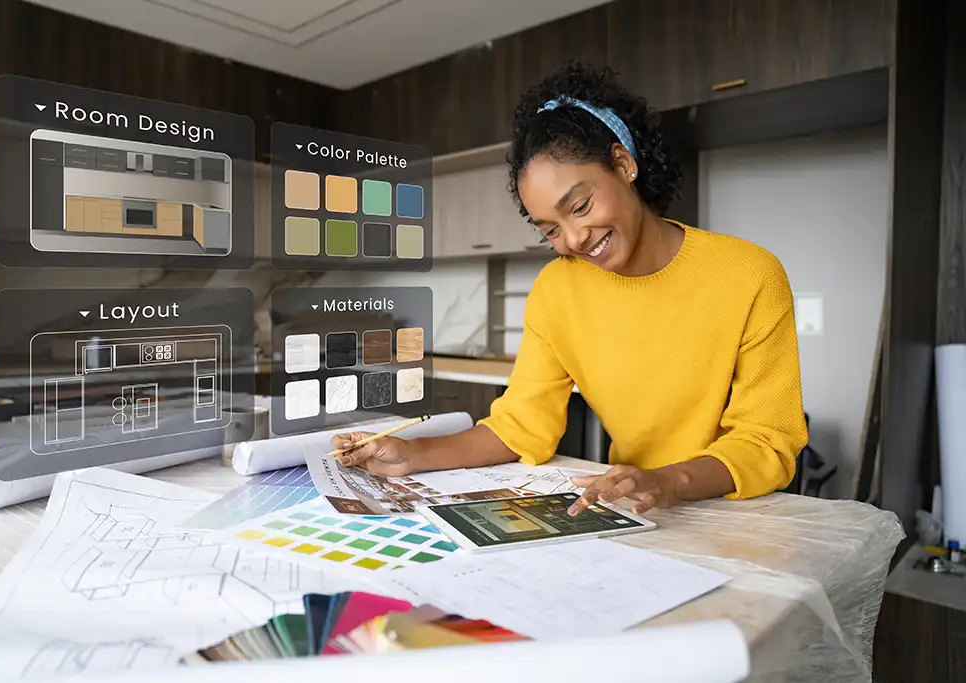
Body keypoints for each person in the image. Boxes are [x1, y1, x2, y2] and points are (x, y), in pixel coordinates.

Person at [331, 60, 808, 516]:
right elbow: (521, 427)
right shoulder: (557, 291)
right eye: (550, 229)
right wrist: (411, 455)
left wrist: (668, 481)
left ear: (623, 165)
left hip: (736, 509)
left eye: (579, 206)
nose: (575, 239)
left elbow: (767, 441)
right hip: (634, 503)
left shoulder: (749, 274)